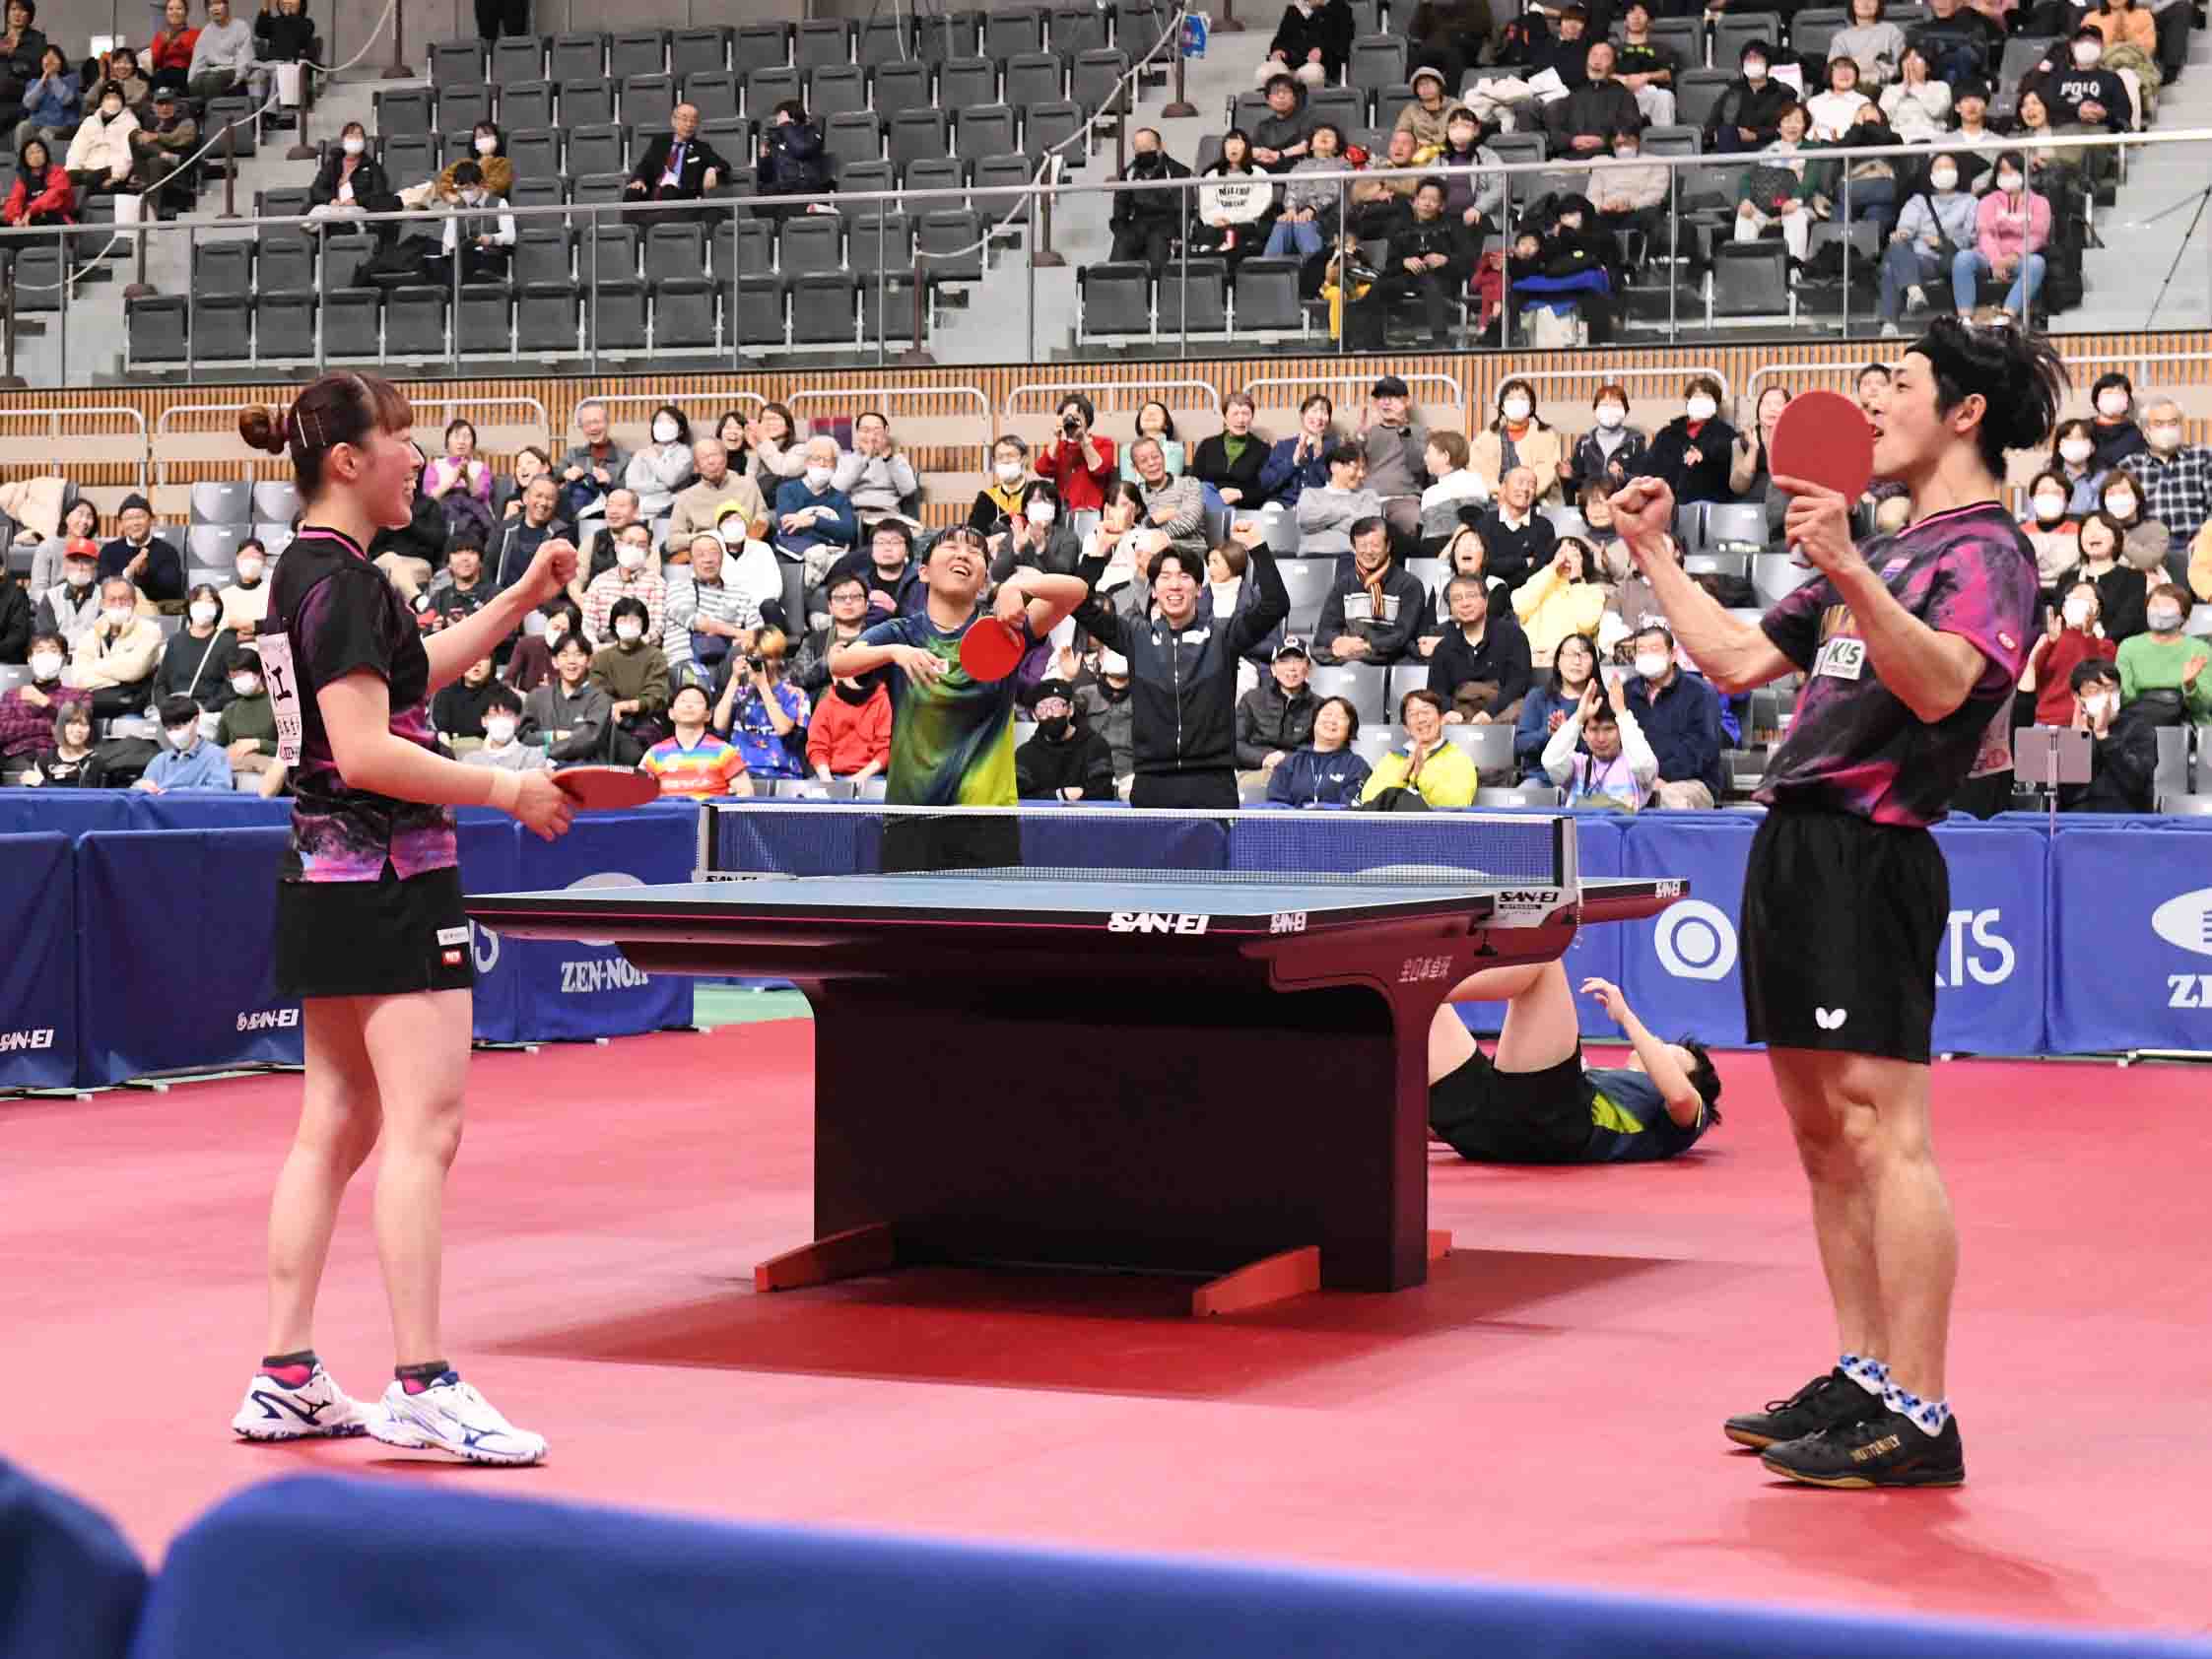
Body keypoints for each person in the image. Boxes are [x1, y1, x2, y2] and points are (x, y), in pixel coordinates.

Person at [1608, 315, 2067, 1487]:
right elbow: (1732, 659)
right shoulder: (1886, 549)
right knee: (1821, 1137)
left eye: (1896, 385)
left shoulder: (1987, 554)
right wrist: (1653, 553)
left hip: (1875, 849)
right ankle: (1864, 1374)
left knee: (1882, 1133)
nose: (1873, 404)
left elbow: (1942, 686)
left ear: (1964, 411)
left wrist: (1850, 566)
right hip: (1795, 845)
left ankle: (1920, 1412)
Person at [225, 375, 574, 1464]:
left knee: (334, 1122)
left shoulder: (309, 572)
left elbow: (407, 677)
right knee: (426, 1130)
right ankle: (423, 1382)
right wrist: (508, 787)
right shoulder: (343, 582)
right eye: (403, 438)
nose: (419, 458)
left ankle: (286, 1374)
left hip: (322, 873)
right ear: (348, 460)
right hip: (390, 878)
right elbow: (369, 750)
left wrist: (516, 599)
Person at [831, 526, 1088, 869]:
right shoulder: (901, 634)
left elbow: (1076, 590)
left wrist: (1015, 587)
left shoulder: (1004, 631)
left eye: (975, 551)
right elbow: (840, 663)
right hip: (911, 817)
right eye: (951, 546)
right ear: (923, 572)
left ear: (983, 581)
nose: (963, 554)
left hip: (987, 820)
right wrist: (894, 653)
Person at [1070, 518, 1289, 809]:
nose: (1174, 585)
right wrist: (1097, 554)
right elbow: (1077, 604)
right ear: (1154, 589)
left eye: (1185, 576)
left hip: (1213, 784)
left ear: (1199, 589)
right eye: (1165, 577)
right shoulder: (1136, 636)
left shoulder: (1223, 635)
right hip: (1151, 782)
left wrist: (1257, 548)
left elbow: (1276, 604)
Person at [1429, 962, 1719, 1162]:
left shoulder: (1687, 1116)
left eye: (1668, 1051)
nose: (1656, 1042)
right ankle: (1425, 988)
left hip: (1549, 1127)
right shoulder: (1610, 1086)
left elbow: (1681, 1098)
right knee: (1418, 1004)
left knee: (1544, 960)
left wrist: (1626, 1017)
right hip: (1484, 1130)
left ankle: (1436, 986)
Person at [1620, 623, 1723, 807]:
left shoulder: (1700, 692)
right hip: (1635, 781)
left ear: (1673, 655)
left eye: (1655, 649)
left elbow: (1702, 749)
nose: (1647, 655)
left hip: (1690, 782)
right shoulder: (1625, 692)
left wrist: (1657, 778)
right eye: (1641, 651)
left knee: (1668, 798)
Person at [1877, 157, 1976, 334]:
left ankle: (1889, 323)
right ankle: (1914, 290)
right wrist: (1903, 233)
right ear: (1930, 174)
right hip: (1914, 257)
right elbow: (1906, 227)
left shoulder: (1969, 201)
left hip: (1944, 259)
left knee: (1891, 267)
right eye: (1939, 168)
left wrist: (1943, 243)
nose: (1944, 171)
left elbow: (1971, 236)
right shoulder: (1919, 201)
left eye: (1948, 167)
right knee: (1897, 245)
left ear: (1957, 172)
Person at [1374, 178, 1475, 349]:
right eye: (1423, 198)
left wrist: (1445, 260)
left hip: (1442, 278)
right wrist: (1405, 262)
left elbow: (1468, 261)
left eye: (1433, 200)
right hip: (1408, 276)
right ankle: (1372, 341)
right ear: (1414, 201)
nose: (1427, 203)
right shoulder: (1400, 226)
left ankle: (1440, 340)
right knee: (1379, 285)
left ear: (1442, 206)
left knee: (1431, 282)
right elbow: (1390, 264)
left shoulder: (1453, 226)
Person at [1316, 517, 1428, 667]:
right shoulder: (1344, 584)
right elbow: (1325, 630)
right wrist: (1339, 641)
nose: (1368, 551)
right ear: (1354, 548)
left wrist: (1367, 646)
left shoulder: (1410, 585)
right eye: (1362, 545)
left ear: (1388, 546)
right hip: (1351, 656)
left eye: (1375, 545)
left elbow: (1402, 636)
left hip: (1391, 658)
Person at [1427, 571, 1532, 725]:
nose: (1465, 603)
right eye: (1457, 599)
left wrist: (1489, 713)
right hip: (1460, 717)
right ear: (1451, 607)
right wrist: (1449, 711)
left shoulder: (1512, 635)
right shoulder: (1444, 647)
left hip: (1503, 712)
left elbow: (1518, 683)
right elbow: (1436, 690)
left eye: (1471, 596)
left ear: (1486, 600)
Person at [1953, 154, 2048, 321]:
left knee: (2036, 263)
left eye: (2013, 170)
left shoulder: (2040, 202)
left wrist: (2013, 256)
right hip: (1989, 258)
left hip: (2020, 259)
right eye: (2003, 171)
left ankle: (2006, 316)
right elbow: (1985, 233)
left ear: (2023, 172)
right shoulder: (1987, 201)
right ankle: (1965, 318)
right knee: (1963, 258)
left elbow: (2037, 235)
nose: (2008, 175)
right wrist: (1996, 260)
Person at [1543, 674, 1659, 808]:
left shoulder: (1635, 767)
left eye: (1608, 729)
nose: (1601, 738)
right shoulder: (1577, 765)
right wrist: (1578, 718)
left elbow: (1644, 764)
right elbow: (1550, 762)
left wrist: (1621, 712)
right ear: (1583, 734)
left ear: (1620, 731)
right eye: (1593, 729)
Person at [711, 627, 808, 782]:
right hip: (740, 773)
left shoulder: (794, 694)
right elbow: (719, 724)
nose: (762, 664)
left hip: (781, 775)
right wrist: (735, 678)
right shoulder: (741, 693)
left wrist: (763, 686)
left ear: (778, 659)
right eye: (757, 658)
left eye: (768, 658)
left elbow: (783, 729)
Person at [2059, 657, 2158, 811]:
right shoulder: (2065, 734)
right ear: (2077, 697)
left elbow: (2136, 782)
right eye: (2095, 691)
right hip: (2079, 818)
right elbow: (2065, 794)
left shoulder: (2140, 729)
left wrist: (2103, 735)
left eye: (2110, 689)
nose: (2105, 698)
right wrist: (2080, 745)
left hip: (2128, 818)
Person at [2118, 397, 2212, 556]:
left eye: (2173, 423)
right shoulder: (2129, 465)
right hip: (2146, 549)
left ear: (2181, 426)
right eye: (2159, 424)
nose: (2167, 429)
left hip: (2198, 546)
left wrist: (2205, 538)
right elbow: (2122, 515)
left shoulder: (2203, 457)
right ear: (2145, 430)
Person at [1361, 687, 1477, 806]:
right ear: (1406, 728)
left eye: (1426, 712)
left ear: (1441, 719)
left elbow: (1455, 803)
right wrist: (1402, 778)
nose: (1421, 719)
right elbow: (1369, 800)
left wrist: (1419, 775)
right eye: (1412, 714)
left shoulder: (1458, 758)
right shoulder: (1391, 759)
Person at [771, 435, 859, 592]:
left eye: (828, 460)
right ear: (806, 462)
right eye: (816, 458)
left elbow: (848, 531)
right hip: (795, 553)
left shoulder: (841, 498)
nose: (822, 464)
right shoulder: (787, 490)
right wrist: (829, 530)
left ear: (835, 465)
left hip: (832, 556)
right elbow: (788, 527)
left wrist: (812, 521)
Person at [65, 576, 163, 716]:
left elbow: (134, 670)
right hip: (98, 703)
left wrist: (95, 665)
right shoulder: (91, 634)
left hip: (132, 705)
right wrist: (120, 677)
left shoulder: (150, 630)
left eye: (124, 599)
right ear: (102, 603)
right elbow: (79, 678)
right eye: (112, 599)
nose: (118, 604)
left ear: (134, 602)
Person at [591, 594, 672, 763]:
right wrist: (613, 708)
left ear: (644, 624)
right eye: (622, 620)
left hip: (647, 721)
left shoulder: (655, 656)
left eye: (634, 620)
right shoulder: (602, 658)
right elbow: (598, 693)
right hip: (611, 720)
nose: (628, 625)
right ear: (614, 624)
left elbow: (656, 694)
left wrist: (627, 706)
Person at [2115, 582, 2211, 721]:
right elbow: (2125, 698)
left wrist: (2190, 685)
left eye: (2167, 605)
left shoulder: (2199, 649)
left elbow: (2203, 706)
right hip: (2140, 720)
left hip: (2187, 722)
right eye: (2154, 604)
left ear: (2184, 614)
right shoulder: (2129, 646)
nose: (2159, 611)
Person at [639, 678, 750, 798]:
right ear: (671, 713)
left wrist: (714, 810)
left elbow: (746, 793)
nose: (689, 705)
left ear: (708, 715)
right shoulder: (654, 754)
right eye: (683, 701)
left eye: (697, 702)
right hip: (665, 810)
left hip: (708, 810)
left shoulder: (724, 751)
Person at [1636, 378, 1738, 506]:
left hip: (1709, 503)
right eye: (1697, 397)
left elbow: (1727, 457)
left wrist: (1704, 455)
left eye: (1707, 398)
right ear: (1687, 400)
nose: (1701, 402)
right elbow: (1649, 468)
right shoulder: (1667, 433)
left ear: (1716, 404)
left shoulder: (1725, 433)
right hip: (1667, 502)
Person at [2026, 577, 2114, 724]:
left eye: (2088, 599)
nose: (2081, 602)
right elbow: (2031, 675)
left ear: (2098, 611)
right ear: (2064, 607)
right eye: (2076, 598)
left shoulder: (2106, 646)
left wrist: (2088, 637)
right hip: (2045, 720)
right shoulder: (2050, 639)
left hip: (2085, 722)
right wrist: (2050, 643)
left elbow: (2098, 679)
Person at [1513, 630, 1599, 780]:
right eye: (1570, 654)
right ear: (1558, 662)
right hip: (1540, 779)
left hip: (1585, 781)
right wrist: (1548, 733)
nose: (1577, 661)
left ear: (1593, 663)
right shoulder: (1538, 697)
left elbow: (1605, 749)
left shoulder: (1599, 702)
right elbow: (1521, 745)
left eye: (1584, 655)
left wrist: (1567, 733)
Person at [1235, 636, 1318, 787]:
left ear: (1308, 669)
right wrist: (1264, 758)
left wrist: (1287, 760)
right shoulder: (1252, 699)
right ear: (1273, 669)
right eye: (1284, 661)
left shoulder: (1319, 706)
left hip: (1298, 776)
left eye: (1298, 661)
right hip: (1255, 772)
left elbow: (1321, 749)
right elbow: (1235, 744)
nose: (1291, 668)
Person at [1015, 676, 1114, 801]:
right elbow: (1021, 796)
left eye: (1056, 706)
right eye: (1042, 708)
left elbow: (1103, 792)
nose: (1049, 713)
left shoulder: (1095, 746)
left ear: (1070, 709)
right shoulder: (1024, 754)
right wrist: (1061, 795)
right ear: (1034, 715)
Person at [625, 101, 728, 221]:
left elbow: (724, 165)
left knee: (669, 190)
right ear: (673, 121)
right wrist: (639, 180)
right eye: (684, 119)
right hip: (654, 196)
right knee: (632, 192)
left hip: (681, 199)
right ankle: (633, 228)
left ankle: (650, 222)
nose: (689, 124)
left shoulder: (701, 148)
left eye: (693, 121)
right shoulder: (660, 142)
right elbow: (645, 166)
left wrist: (712, 169)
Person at [0, 629, 85, 771]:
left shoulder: (78, 695)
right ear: (29, 659)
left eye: (53, 650)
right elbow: (3, 732)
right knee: (27, 776)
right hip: (18, 754)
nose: (46, 656)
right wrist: (49, 725)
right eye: (39, 651)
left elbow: (78, 729)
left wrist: (46, 703)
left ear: (64, 660)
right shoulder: (12, 695)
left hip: (60, 755)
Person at [521, 631, 612, 763]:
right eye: (564, 655)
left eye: (579, 655)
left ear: (589, 661)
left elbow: (588, 738)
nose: (571, 661)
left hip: (583, 769)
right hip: (541, 769)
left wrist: (545, 750)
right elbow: (523, 737)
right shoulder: (536, 697)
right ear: (554, 661)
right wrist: (552, 736)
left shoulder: (600, 699)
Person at [1470, 380, 1567, 504]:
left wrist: (1523, 494)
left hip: (1539, 501)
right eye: (1510, 399)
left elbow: (1546, 471)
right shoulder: (1485, 438)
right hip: (1495, 501)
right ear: (1502, 407)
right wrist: (1500, 493)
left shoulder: (1546, 435)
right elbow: (1479, 471)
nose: (1516, 403)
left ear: (1531, 406)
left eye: (1522, 398)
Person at [1265, 693, 1371, 805]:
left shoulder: (1357, 766)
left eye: (1341, 717)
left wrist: (1318, 810)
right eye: (1327, 714)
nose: (1332, 720)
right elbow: (1276, 805)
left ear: (1350, 729)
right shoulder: (1290, 763)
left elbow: (1352, 808)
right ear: (1315, 719)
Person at [1108, 128, 1190, 273]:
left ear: (1160, 148)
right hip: (1138, 225)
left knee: (1157, 247)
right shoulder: (1129, 173)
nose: (1143, 152)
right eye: (1138, 149)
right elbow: (1120, 208)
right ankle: (1116, 284)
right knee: (1121, 245)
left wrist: (1181, 237)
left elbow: (1183, 209)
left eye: (1147, 148)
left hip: (1166, 225)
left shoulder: (1179, 171)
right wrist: (1121, 232)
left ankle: (1157, 286)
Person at [1263, 120, 1345, 261]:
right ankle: (1268, 267)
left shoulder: (1342, 165)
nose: (1324, 136)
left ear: (1336, 148)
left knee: (1303, 223)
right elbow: (1291, 190)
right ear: (1311, 146)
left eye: (1330, 135)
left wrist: (1312, 209)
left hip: (1326, 219)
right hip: (1300, 216)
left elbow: (1334, 191)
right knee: (1283, 223)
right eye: (1319, 134)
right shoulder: (1298, 167)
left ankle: (1314, 267)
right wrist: (1290, 210)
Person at [154, 581, 241, 711]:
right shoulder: (175, 641)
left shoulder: (228, 642)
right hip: (174, 710)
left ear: (218, 607)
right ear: (189, 606)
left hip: (207, 712)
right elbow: (160, 683)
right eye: (198, 601)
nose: (204, 606)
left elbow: (230, 686)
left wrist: (205, 709)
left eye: (209, 601)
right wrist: (165, 707)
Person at [670, 435, 770, 545]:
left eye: (715, 455)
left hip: (746, 546)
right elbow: (673, 540)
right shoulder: (686, 497)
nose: (711, 461)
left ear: (725, 458)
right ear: (696, 467)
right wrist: (708, 538)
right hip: (704, 549)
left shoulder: (748, 484)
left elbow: (763, 517)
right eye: (704, 457)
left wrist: (748, 540)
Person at [1190, 131, 1272, 261]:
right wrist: (1216, 219)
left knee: (1234, 234)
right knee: (1207, 233)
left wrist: (1230, 219)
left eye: (1238, 143)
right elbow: (1206, 207)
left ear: (1247, 148)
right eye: (1229, 143)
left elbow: (1258, 206)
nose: (1233, 147)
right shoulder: (1212, 175)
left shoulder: (1259, 174)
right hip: (1216, 226)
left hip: (1244, 225)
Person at [1472, 466, 1558, 590]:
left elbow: (1539, 571)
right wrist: (1523, 562)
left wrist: (1504, 584)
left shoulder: (1544, 527)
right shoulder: (1485, 523)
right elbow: (1483, 566)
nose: (1525, 489)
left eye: (1532, 485)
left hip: (1529, 595)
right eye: (1520, 482)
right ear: (1504, 488)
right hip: (1488, 594)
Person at [833, 410, 919, 530]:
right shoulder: (845, 460)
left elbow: (908, 489)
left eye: (876, 431)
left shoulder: (897, 460)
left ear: (886, 432)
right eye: (865, 430)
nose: (871, 436)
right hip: (852, 515)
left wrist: (888, 459)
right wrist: (866, 458)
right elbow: (837, 489)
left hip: (887, 516)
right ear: (857, 433)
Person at [805, 662, 890, 783]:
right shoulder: (826, 705)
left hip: (870, 777)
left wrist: (856, 780)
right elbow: (817, 748)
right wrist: (828, 781)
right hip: (830, 775)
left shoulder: (882, 702)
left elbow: (885, 750)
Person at [1707, 40, 1797, 153]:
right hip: (1734, 147)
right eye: (1748, 59)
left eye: (1757, 58)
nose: (1752, 62)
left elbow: (1791, 128)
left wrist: (1756, 135)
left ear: (1767, 63)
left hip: (1769, 148)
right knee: (1725, 131)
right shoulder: (1732, 93)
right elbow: (1711, 126)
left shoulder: (1783, 93)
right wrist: (1720, 134)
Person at [1294, 443, 1382, 556]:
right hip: (1311, 557)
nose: (1361, 474)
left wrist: (1322, 523)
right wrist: (1348, 511)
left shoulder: (1367, 496)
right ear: (1334, 467)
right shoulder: (1310, 494)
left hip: (1350, 557)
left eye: (1363, 469)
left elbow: (1366, 530)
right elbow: (1305, 522)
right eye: (1355, 468)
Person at [1038, 393, 1117, 517]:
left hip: (1092, 514)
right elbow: (1042, 469)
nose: (1071, 421)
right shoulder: (1059, 446)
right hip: (1063, 514)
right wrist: (1056, 436)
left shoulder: (1103, 443)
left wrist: (1082, 439)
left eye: (1076, 417)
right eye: (1067, 417)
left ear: (1087, 419)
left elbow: (1099, 469)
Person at [1189, 394, 1268, 509]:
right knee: (1203, 488)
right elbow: (1194, 482)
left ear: (1252, 418)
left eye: (1245, 414)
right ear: (1225, 418)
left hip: (1242, 507)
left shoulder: (1263, 450)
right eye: (1235, 414)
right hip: (1205, 502)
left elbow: (1264, 489)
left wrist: (1239, 493)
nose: (1241, 419)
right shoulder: (1207, 445)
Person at [437, 160, 511, 281]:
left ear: (481, 183)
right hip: (464, 260)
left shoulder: (499, 203)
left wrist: (493, 238)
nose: (464, 193)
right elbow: (449, 239)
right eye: (460, 189)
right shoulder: (455, 208)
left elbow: (510, 236)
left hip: (491, 258)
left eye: (468, 188)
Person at [1258, 393, 1335, 509]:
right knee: (1271, 508)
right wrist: (1293, 462)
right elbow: (1266, 483)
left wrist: (1317, 458)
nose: (1319, 417)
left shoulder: (1335, 447)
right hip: (1284, 504)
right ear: (1302, 415)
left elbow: (1339, 487)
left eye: (1324, 412)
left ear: (1328, 421)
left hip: (1319, 506)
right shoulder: (1283, 446)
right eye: (1314, 411)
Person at [1568, 385, 1647, 498]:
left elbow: (1643, 480)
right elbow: (1576, 483)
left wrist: (1622, 476)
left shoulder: (1635, 441)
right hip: (1592, 504)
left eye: (1616, 405)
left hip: (1624, 503)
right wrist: (1567, 476)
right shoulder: (1584, 442)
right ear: (1595, 409)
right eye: (1604, 405)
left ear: (1626, 410)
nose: (1610, 410)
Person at [216, 647, 279, 781]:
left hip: (269, 771)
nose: (237, 680)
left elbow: (293, 751)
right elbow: (217, 750)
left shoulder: (279, 705)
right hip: (234, 772)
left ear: (258, 672)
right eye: (233, 677)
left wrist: (258, 744)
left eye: (241, 674)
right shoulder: (230, 710)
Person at [1259, 0, 1354, 85]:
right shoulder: (1294, 10)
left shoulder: (1340, 9)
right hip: (1291, 62)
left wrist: (1322, 50)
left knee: (1311, 74)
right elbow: (1280, 39)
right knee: (1265, 72)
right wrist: (1278, 50)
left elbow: (1342, 44)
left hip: (1321, 64)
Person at [307, 120, 388, 219]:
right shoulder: (333, 163)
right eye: (350, 135)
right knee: (315, 214)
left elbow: (379, 193)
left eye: (358, 136)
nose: (354, 139)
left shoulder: (373, 166)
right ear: (343, 140)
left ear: (364, 141)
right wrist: (331, 200)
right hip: (332, 208)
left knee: (346, 216)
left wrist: (357, 201)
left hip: (358, 209)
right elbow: (316, 189)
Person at [624, 406, 692, 519]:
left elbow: (670, 479)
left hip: (669, 512)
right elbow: (631, 485)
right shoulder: (642, 453)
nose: (664, 426)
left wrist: (653, 458)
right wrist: (664, 488)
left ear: (680, 430)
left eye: (670, 422)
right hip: (639, 511)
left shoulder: (684, 453)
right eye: (659, 421)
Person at [460, 684, 546, 772]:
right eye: (494, 715)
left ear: (518, 720)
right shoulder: (471, 761)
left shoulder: (533, 757)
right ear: (484, 721)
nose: (501, 721)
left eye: (508, 715)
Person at [1878, 46, 1952, 143]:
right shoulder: (1891, 90)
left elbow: (1937, 111)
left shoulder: (1940, 87)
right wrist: (1903, 89)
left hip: (1933, 140)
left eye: (1916, 58)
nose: (1910, 62)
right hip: (1900, 142)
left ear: (1927, 67)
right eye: (1907, 58)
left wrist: (1915, 87)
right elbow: (1882, 117)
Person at [13, 41, 73, 156]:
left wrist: (53, 76)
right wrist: (42, 81)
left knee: (44, 135)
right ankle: (22, 160)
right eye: (46, 57)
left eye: (54, 57)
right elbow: (28, 104)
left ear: (61, 62)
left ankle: (43, 162)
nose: (50, 61)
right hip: (36, 121)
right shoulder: (34, 82)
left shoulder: (70, 79)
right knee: (22, 127)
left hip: (59, 123)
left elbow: (67, 100)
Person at [1250, 73, 1318, 173]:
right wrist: (1261, 154)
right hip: (1267, 175)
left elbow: (1305, 147)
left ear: (1294, 98)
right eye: (1275, 92)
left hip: (1298, 173)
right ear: (1268, 100)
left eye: (1286, 91)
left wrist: (1279, 154)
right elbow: (1252, 150)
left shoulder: (1307, 119)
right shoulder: (1263, 126)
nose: (1281, 96)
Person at [22, 698, 95, 785]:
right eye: (72, 723)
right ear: (61, 726)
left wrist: (42, 783)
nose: (78, 730)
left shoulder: (95, 761)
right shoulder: (44, 760)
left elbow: (83, 793)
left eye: (84, 724)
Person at [969, 434, 1034, 532]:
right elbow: (975, 534)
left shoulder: (1037, 495)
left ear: (1024, 459)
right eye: (1000, 457)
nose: (1005, 460)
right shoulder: (986, 498)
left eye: (1010, 455)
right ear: (994, 462)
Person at [1, 131, 68, 225]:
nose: (36, 156)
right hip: (30, 220)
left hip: (56, 219)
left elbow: (53, 196)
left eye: (39, 151)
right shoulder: (22, 179)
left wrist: (31, 211)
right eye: (31, 153)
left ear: (46, 153)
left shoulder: (58, 172)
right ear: (25, 158)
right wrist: (15, 218)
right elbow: (15, 199)